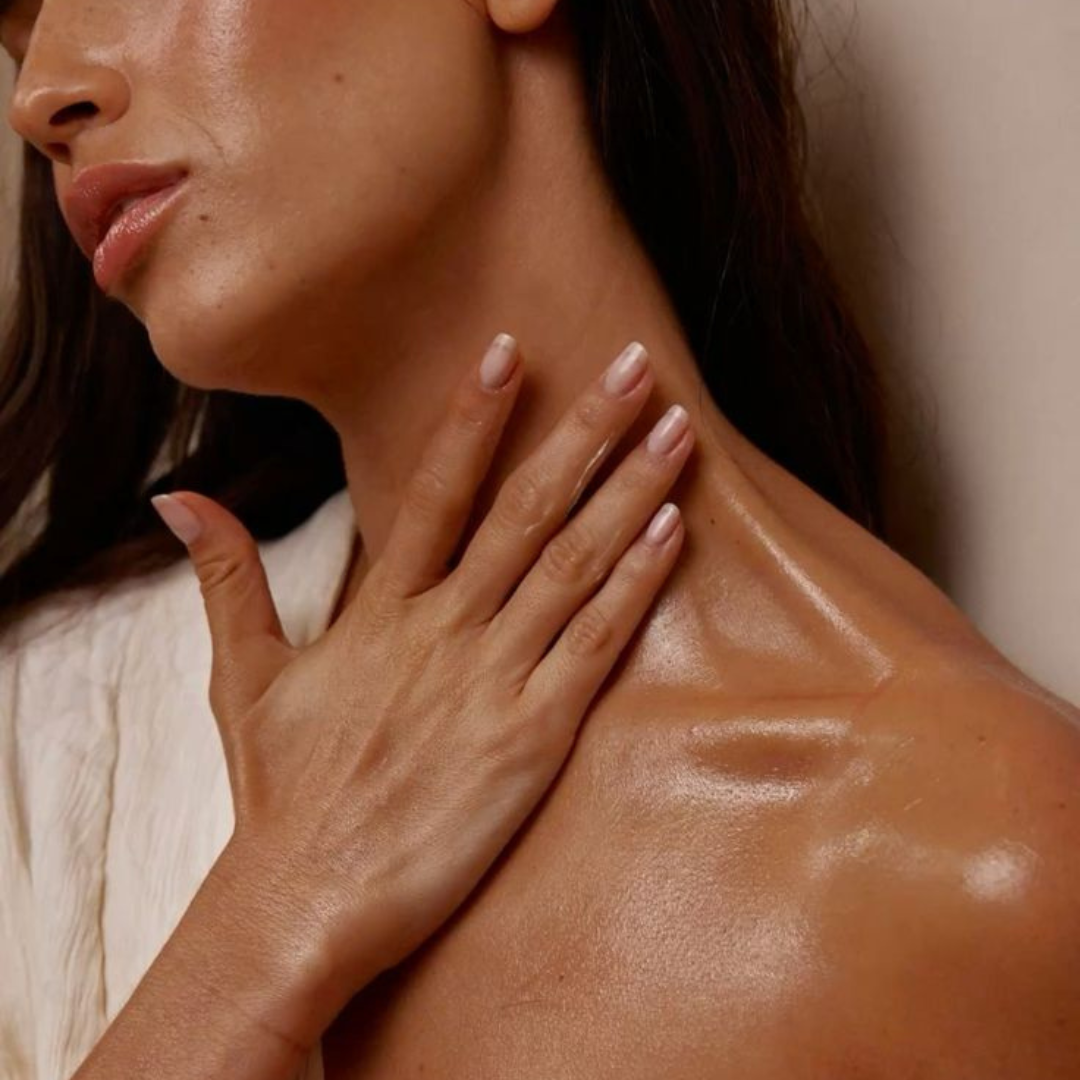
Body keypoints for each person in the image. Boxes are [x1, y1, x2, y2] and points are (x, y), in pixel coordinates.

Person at [1, 1, 1078, 1078]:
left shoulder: (979, 867)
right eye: (17, 26)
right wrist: (255, 937)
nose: (37, 93)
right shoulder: (52, 748)